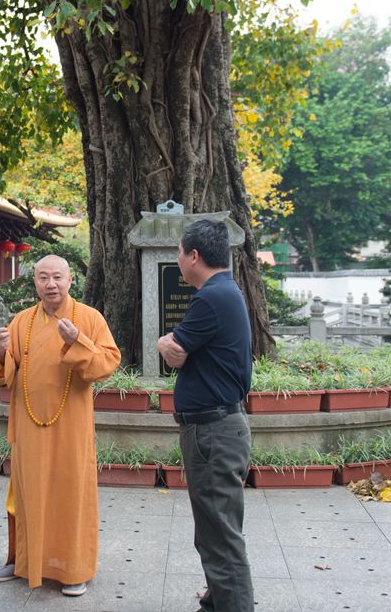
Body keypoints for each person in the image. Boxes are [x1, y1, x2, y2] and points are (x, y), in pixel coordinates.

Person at [0, 255, 120, 597]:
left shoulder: (88, 318)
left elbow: (107, 363)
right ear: (35, 283)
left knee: (69, 494)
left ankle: (74, 570)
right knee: (27, 493)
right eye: (43, 278)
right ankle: (23, 563)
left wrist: (78, 340)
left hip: (70, 426)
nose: (51, 284)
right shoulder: (21, 322)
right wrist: (1, 353)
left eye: (57, 277)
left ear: (70, 280)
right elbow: (3, 375)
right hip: (30, 425)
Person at [157, 219, 254, 612]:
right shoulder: (225, 292)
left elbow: (173, 347)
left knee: (220, 535)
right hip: (216, 429)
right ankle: (216, 602)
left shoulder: (211, 297)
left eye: (179, 253)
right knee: (215, 529)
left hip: (213, 432)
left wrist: (168, 341)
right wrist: (173, 346)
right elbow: (178, 350)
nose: (178, 261)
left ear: (194, 256)